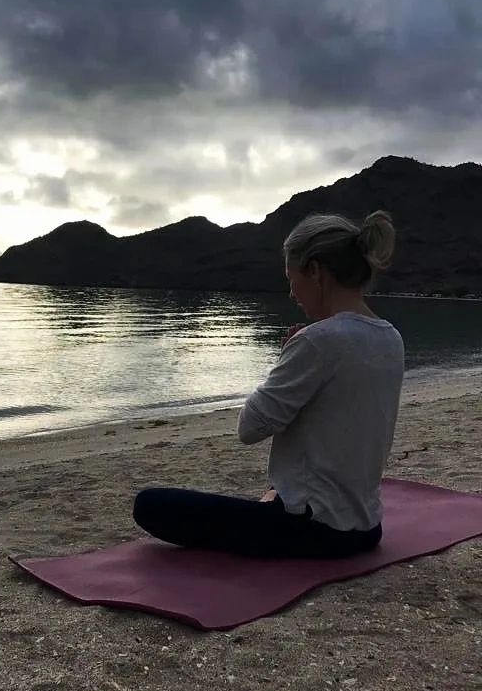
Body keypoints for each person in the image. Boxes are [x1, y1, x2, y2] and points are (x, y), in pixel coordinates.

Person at [133, 210, 405, 558]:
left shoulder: (317, 341)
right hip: (366, 527)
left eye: (292, 280)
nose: (292, 293)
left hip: (314, 530)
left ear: (316, 272)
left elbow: (250, 428)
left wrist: (285, 359)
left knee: (150, 505)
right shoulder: (391, 338)